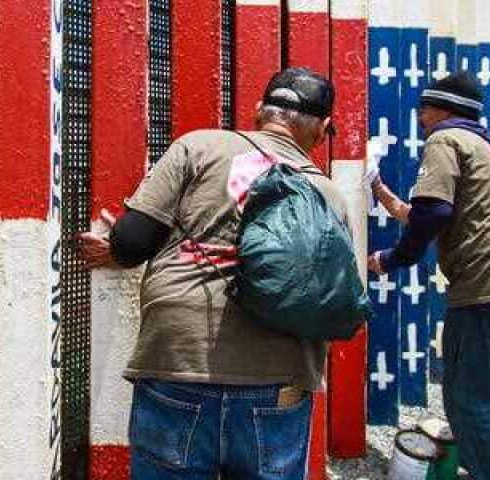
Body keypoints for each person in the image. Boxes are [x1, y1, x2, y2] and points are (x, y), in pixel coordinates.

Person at [76, 68, 349, 480]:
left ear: (260, 111)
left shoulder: (199, 147)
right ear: (322, 129)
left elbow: (132, 241)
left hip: (179, 361)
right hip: (279, 380)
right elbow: (332, 295)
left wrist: (114, 253)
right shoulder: (327, 193)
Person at [367, 71, 490, 480]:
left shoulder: (444, 139)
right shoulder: (482, 146)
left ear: (442, 109)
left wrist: (392, 258)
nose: (418, 117)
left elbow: (434, 212)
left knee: (467, 398)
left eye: (423, 108)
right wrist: (379, 190)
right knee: (488, 381)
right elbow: (429, 213)